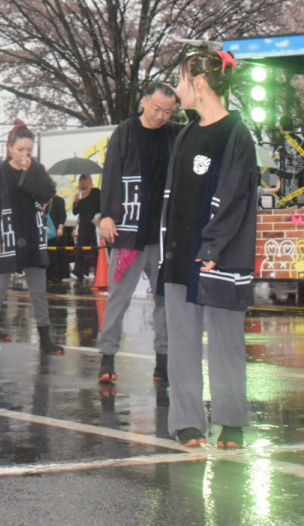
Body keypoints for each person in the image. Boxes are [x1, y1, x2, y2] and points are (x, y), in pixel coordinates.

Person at [159, 50, 258, 449]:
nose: (177, 90)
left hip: (219, 255)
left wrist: (213, 243)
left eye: (181, 81)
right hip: (181, 253)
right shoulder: (185, 132)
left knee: (226, 340)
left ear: (199, 85)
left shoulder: (236, 133)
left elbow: (236, 195)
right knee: (181, 341)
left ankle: (231, 421)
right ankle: (186, 422)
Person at [96, 81, 179, 384]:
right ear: (144, 102)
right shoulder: (126, 131)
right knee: (119, 298)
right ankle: (107, 357)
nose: (160, 116)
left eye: (168, 112)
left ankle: (163, 361)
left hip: (162, 236)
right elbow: (111, 172)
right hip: (128, 232)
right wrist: (106, 214)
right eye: (156, 108)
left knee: (165, 300)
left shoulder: (174, 134)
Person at [0, 123, 65, 355]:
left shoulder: (37, 169)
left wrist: (30, 171)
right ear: (9, 148)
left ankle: (45, 337)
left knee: (38, 290)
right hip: (7, 235)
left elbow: (48, 193)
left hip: (33, 235)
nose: (24, 154)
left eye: (28, 149)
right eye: (19, 149)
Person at [71, 174, 102, 282]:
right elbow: (75, 212)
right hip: (83, 225)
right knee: (81, 249)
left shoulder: (96, 192)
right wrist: (76, 201)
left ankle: (93, 271)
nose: (83, 184)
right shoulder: (79, 195)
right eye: (81, 181)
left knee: (94, 249)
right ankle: (79, 272)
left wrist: (98, 216)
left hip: (94, 225)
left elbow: (101, 206)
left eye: (85, 181)